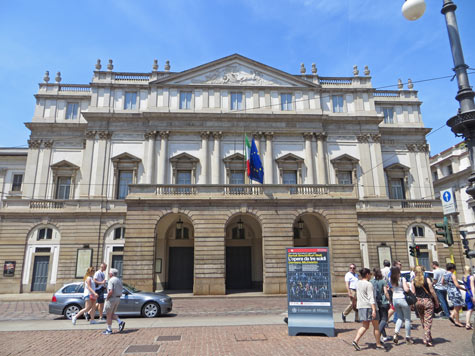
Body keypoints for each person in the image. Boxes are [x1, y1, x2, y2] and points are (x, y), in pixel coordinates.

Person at [352, 268, 385, 351]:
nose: (370, 275)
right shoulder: (369, 284)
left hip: (361, 306)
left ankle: (356, 340)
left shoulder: (358, 283)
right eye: (370, 274)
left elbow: (356, 295)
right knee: (376, 327)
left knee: (365, 326)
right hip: (369, 307)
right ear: (367, 274)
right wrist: (374, 309)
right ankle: (378, 344)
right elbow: (371, 298)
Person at [410, 265, 439, 347]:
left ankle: (428, 336)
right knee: (428, 320)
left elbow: (413, 293)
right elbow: (432, 291)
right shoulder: (427, 280)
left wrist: (412, 304)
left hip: (418, 302)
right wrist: (436, 301)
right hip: (427, 301)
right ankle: (427, 338)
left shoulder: (413, 281)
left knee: (423, 320)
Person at [390, 266, 413, 344]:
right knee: (407, 319)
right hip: (402, 299)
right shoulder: (402, 279)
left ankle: (396, 333)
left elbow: (392, 289)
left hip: (395, 299)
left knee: (399, 317)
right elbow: (406, 289)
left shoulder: (391, 280)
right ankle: (408, 337)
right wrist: (408, 287)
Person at [102, 268, 125, 335]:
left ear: (111, 274)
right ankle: (120, 322)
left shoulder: (111, 280)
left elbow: (111, 291)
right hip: (118, 298)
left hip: (112, 298)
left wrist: (107, 297)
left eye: (109, 273)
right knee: (111, 314)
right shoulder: (119, 280)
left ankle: (109, 329)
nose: (109, 274)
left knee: (108, 314)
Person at [371, 268, 392, 342]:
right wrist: (390, 300)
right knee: (384, 319)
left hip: (375, 303)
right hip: (383, 302)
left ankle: (384, 336)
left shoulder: (371, 281)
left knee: (379, 320)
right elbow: (386, 292)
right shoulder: (383, 281)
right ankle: (378, 333)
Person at [445, 263, 465, 327]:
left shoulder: (444, 274)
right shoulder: (452, 275)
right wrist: (464, 289)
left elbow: (442, 282)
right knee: (457, 307)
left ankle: (452, 315)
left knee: (460, 305)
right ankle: (457, 321)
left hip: (449, 291)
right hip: (455, 292)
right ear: (452, 269)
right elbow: (457, 285)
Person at [462, 265, 474, 330]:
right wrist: (474, 296)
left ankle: (467, 324)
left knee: (469, 309)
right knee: (470, 309)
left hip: (467, 293)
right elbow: (472, 287)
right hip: (472, 293)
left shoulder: (463, 277)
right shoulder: (471, 277)